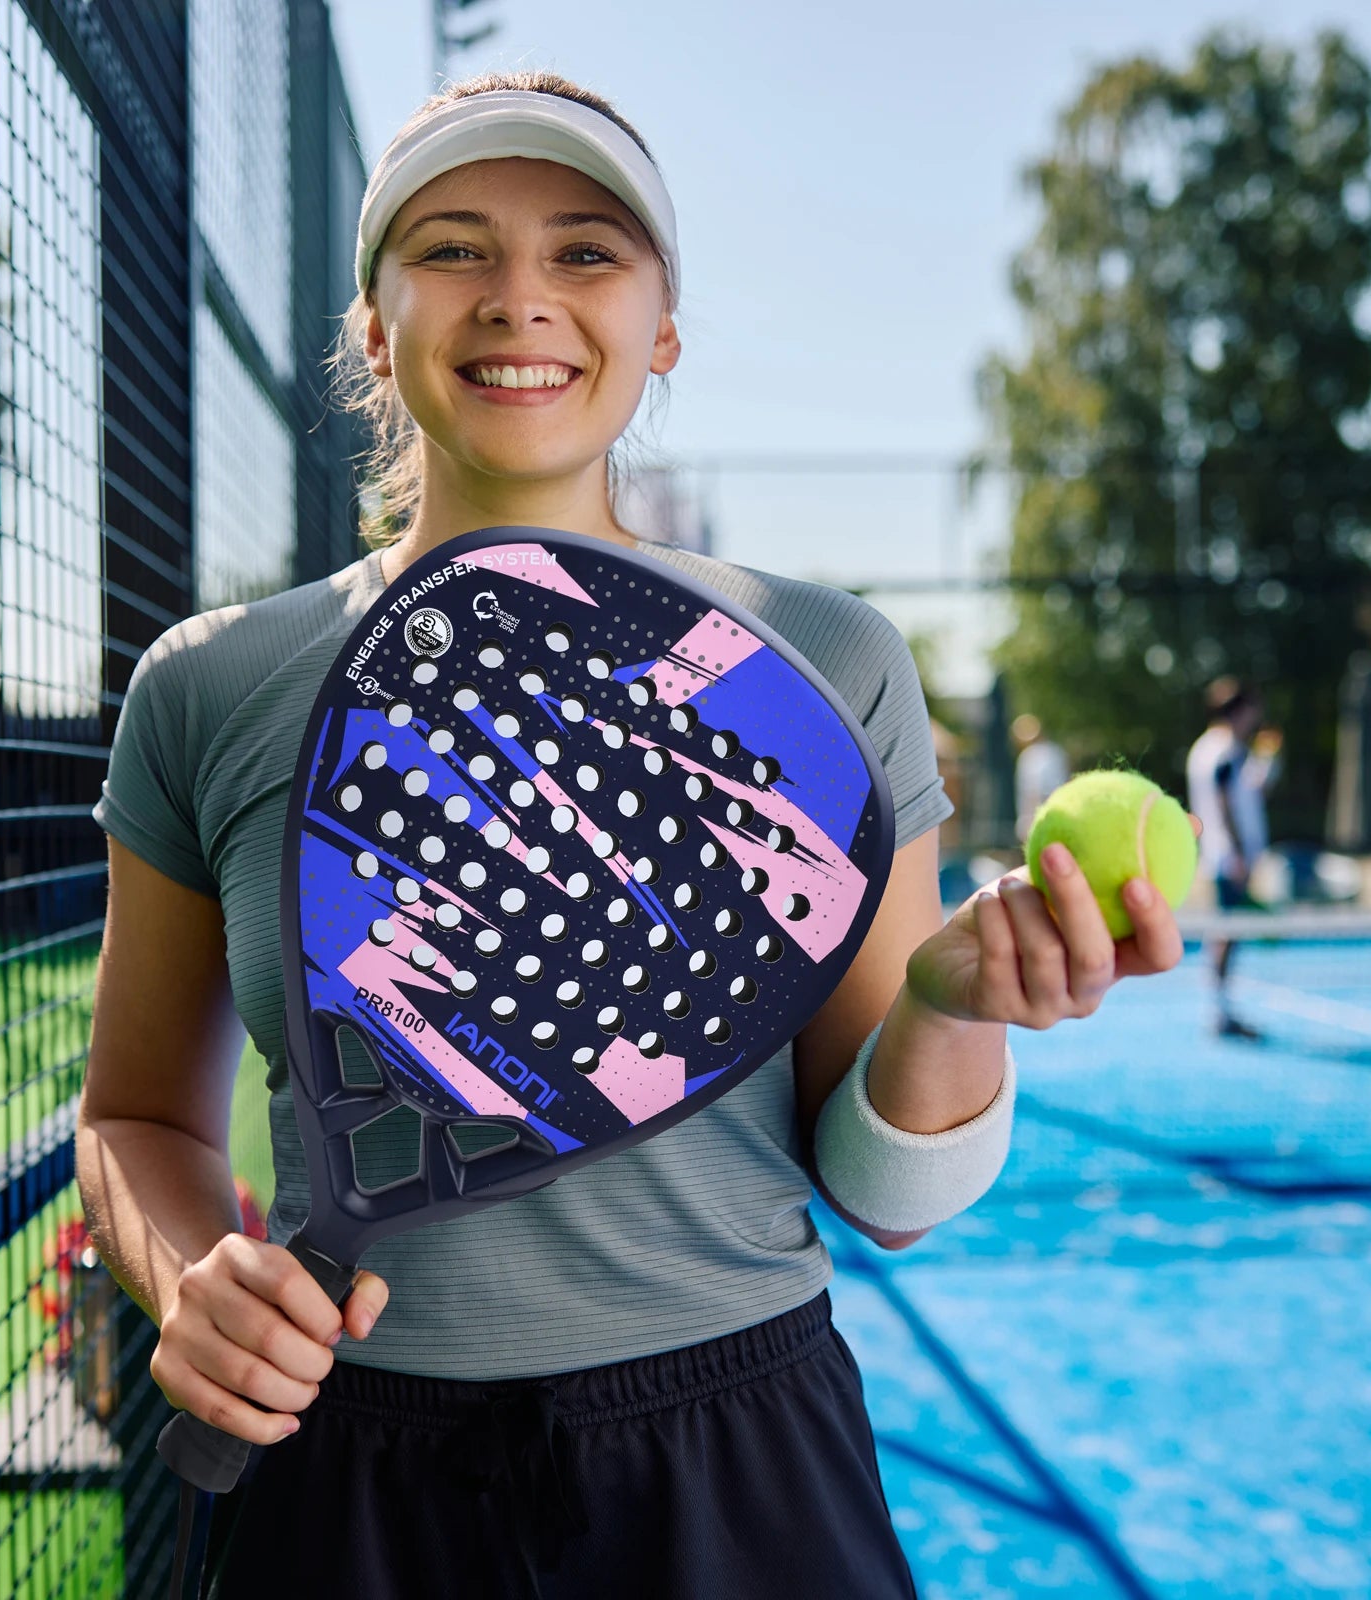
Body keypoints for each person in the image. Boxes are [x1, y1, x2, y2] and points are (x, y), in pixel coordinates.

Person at [76, 71, 1190, 1600]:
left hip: (739, 1465)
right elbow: (137, 1118)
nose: (520, 297)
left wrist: (952, 1007)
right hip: (346, 1482)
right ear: (374, 329)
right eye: (456, 248)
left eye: (586, 253)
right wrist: (193, 1275)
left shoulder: (826, 661)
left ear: (662, 327)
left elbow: (892, 1197)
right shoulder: (207, 684)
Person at [1184, 676, 1283, 1040]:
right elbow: (1226, 804)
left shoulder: (1209, 748)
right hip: (1229, 858)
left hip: (1221, 855)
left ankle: (1221, 1009)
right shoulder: (1227, 749)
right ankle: (1220, 1011)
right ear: (1238, 710)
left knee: (1228, 932)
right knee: (1228, 932)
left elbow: (1244, 795)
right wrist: (1240, 853)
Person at [1011, 712, 1069, 844]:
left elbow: (1033, 791)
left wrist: (1028, 823)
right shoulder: (1056, 751)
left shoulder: (1029, 756)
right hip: (1061, 816)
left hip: (1038, 821)